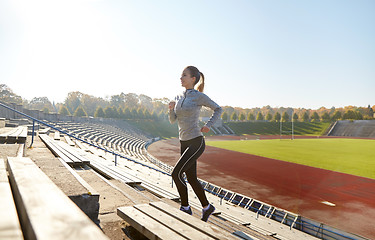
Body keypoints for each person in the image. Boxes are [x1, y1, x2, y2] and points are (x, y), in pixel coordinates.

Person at [168, 66, 222, 222]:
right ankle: (207, 207)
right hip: (183, 142)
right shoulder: (177, 97)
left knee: (176, 173)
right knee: (191, 178)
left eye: (184, 75)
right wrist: (171, 109)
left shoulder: (198, 96)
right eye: (181, 75)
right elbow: (173, 120)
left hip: (196, 141)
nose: (181, 78)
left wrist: (209, 125)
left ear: (193, 79)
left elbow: (218, 109)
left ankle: (185, 207)